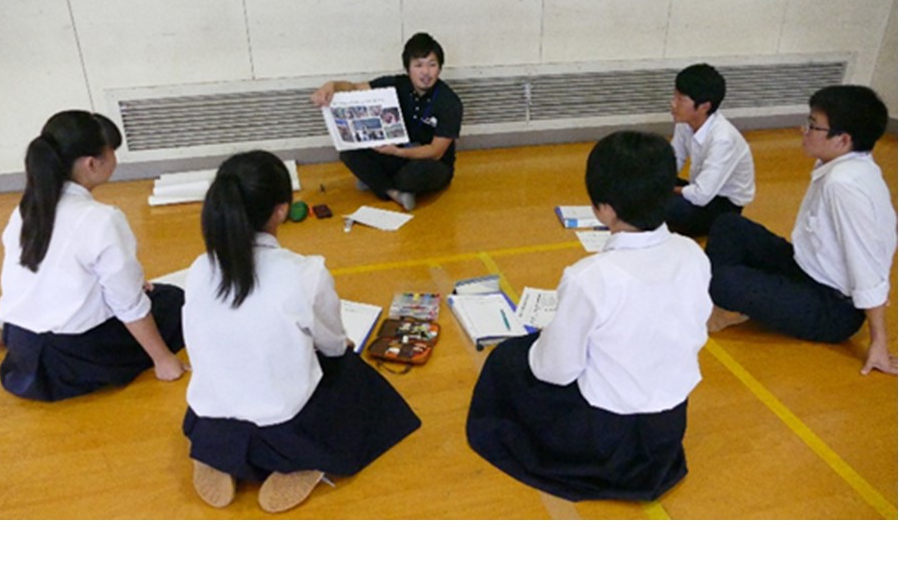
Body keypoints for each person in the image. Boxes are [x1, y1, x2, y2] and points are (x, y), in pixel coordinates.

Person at [466, 131, 712, 501]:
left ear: (605, 209)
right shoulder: (692, 253)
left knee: (508, 360)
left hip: (605, 437)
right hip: (667, 428)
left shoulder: (591, 276)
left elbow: (556, 370)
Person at [181, 150, 421, 512]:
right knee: (352, 373)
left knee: (236, 380)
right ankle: (301, 459)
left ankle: (217, 454)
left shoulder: (200, 268)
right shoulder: (305, 273)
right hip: (281, 421)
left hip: (212, 414)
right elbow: (334, 345)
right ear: (281, 211)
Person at [0, 110, 187, 401]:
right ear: (92, 163)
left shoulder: (26, 209)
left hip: (22, 349)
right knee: (173, 300)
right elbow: (128, 305)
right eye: (112, 152)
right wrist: (163, 359)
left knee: (141, 291)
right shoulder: (102, 218)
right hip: (73, 362)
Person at [705, 85, 897, 376]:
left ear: (843, 139)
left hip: (833, 310)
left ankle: (728, 301)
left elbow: (867, 263)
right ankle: (728, 303)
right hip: (808, 269)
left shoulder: (843, 185)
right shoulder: (846, 164)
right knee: (728, 225)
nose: (803, 130)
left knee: (723, 280)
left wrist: (878, 340)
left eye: (813, 126)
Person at [311, 32, 463, 211]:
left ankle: (377, 181)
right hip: (396, 153)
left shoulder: (449, 102)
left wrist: (397, 152)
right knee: (349, 152)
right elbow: (355, 88)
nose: (425, 72)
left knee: (412, 176)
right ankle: (394, 192)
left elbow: (435, 152)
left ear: (440, 68)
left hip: (431, 162)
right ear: (408, 68)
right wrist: (332, 86)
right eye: (418, 65)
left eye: (432, 65)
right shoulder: (396, 84)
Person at [666, 63, 755, 237]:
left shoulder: (723, 139)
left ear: (704, 106)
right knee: (639, 180)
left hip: (722, 206)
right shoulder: (685, 123)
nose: (673, 103)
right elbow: (673, 160)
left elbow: (701, 195)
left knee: (657, 205)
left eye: (680, 99)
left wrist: (666, 190)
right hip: (700, 187)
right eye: (674, 96)